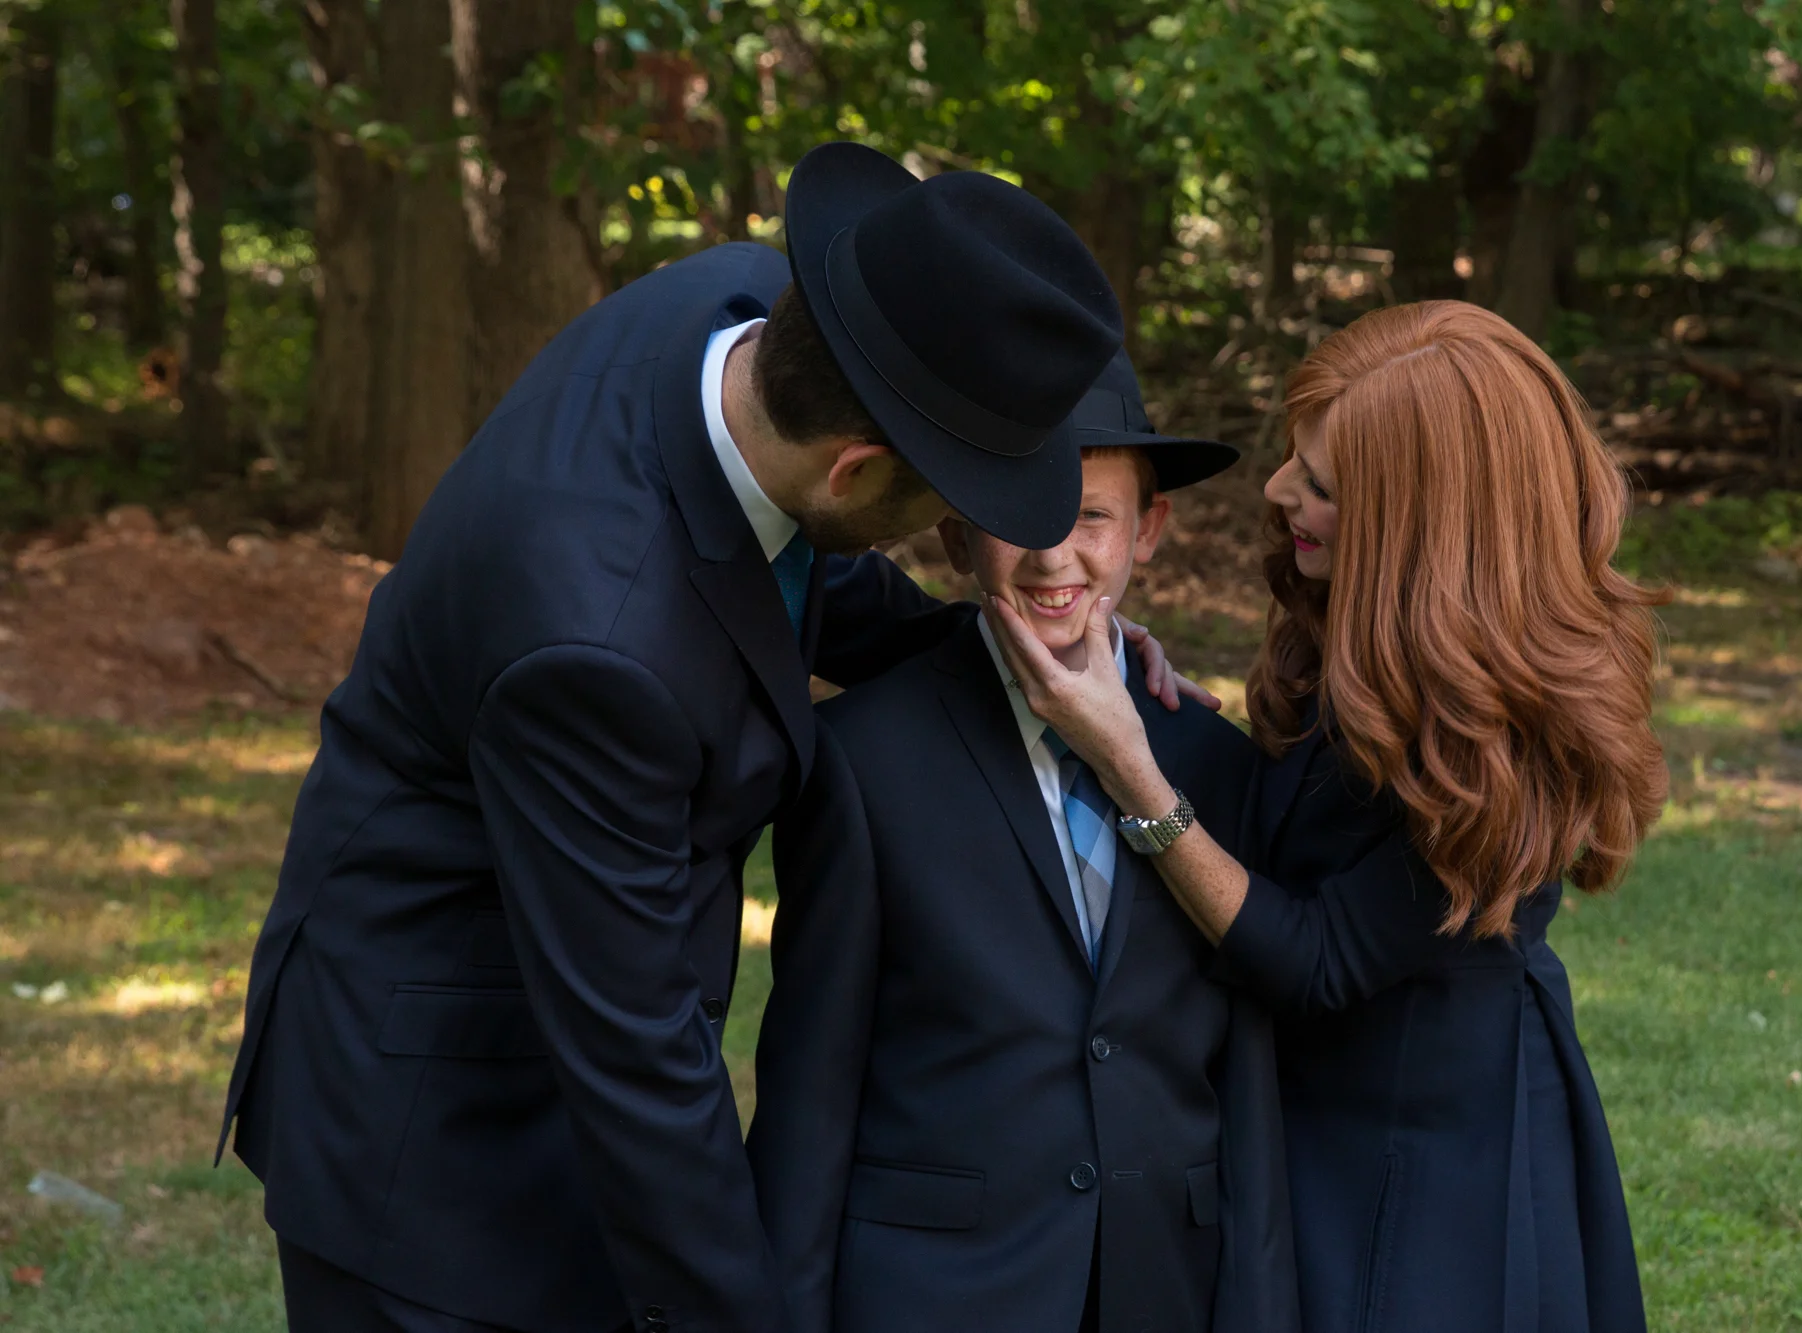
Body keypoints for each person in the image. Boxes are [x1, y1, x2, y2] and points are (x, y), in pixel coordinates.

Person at [215, 141, 1207, 1333]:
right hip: (437, 1136)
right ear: (854, 469)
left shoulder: (742, 315)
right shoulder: (596, 647)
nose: (951, 530)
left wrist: (1037, 658)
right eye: (940, 502)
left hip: (566, 1001)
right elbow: (637, 1061)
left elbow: (801, 570)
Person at [992, 300, 1665, 1332]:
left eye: (1319, 485)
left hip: (1427, 1145)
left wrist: (1133, 769)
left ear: (1419, 527)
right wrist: (1119, 660)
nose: (1276, 492)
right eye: (1293, 461)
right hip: (1301, 1099)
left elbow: (1314, 957)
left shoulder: (1514, 730)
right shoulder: (1368, 611)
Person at [747, 350, 1296, 1333]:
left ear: (1148, 529)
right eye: (1017, 513)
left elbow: (1246, 1091)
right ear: (956, 533)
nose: (1053, 556)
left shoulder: (1218, 767)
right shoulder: (863, 762)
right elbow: (810, 1094)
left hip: (1161, 1284)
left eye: (1090, 516)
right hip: (935, 1294)